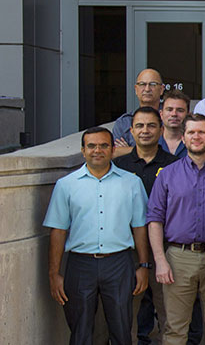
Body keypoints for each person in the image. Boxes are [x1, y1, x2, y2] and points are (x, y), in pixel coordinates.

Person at [43, 127, 151, 345]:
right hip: (80, 264)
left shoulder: (132, 183)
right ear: (83, 151)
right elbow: (58, 230)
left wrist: (143, 266)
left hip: (119, 263)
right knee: (80, 330)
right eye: (91, 146)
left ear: (113, 149)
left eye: (104, 145)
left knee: (122, 329)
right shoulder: (66, 185)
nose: (97, 150)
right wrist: (54, 273)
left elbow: (140, 227)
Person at [147, 114, 205, 345]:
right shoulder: (167, 174)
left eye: (201, 132)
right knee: (175, 328)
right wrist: (160, 260)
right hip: (179, 258)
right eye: (191, 132)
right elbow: (155, 219)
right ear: (183, 137)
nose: (196, 137)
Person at [112, 106, 181, 345]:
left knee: (170, 314)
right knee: (126, 315)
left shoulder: (175, 165)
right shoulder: (118, 166)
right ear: (131, 131)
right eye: (139, 126)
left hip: (166, 249)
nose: (145, 131)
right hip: (127, 250)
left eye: (151, 125)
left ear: (161, 130)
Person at [112, 68, 165, 152]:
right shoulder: (124, 122)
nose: (147, 89)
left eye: (152, 84)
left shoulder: (170, 118)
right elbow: (115, 153)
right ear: (136, 89)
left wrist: (128, 150)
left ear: (161, 89)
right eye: (142, 84)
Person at [160, 90, 191, 158]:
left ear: (188, 115)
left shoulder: (194, 144)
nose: (174, 114)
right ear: (161, 114)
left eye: (180, 110)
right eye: (169, 109)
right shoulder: (152, 143)